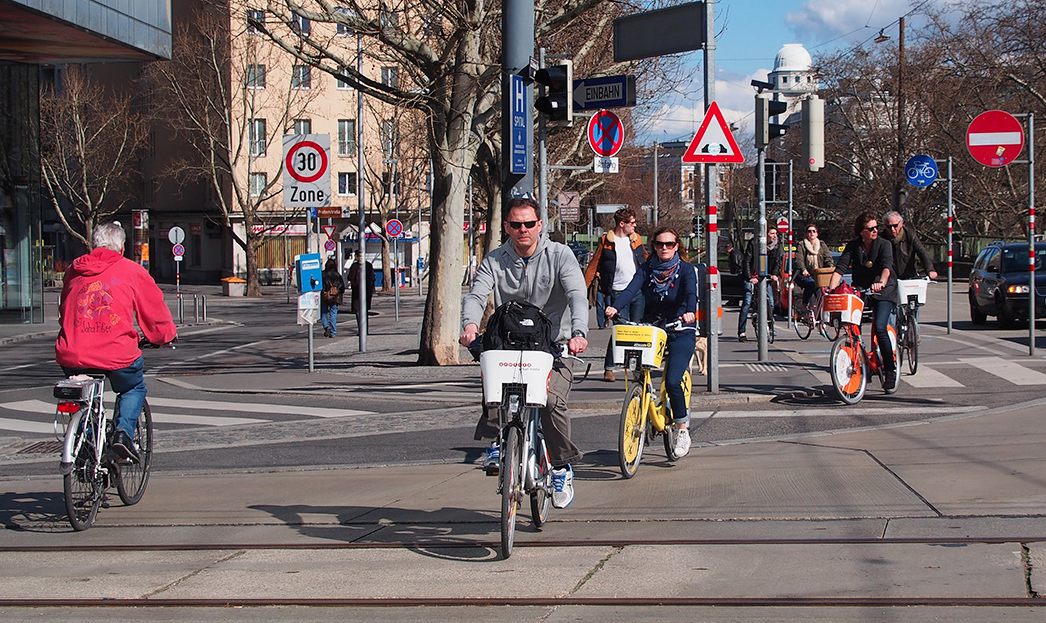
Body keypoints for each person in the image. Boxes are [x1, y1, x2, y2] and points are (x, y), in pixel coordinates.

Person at [460, 196, 589, 509]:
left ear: (540, 225)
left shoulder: (560, 255)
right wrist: (468, 326)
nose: (523, 230)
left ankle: (560, 467)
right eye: (515, 225)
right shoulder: (494, 259)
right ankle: (498, 440)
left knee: (550, 400)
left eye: (529, 224)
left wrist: (579, 333)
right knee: (493, 379)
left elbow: (576, 294)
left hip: (555, 345)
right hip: (511, 344)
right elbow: (477, 295)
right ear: (507, 226)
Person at [55, 221, 177, 463]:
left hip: (72, 352)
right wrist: (164, 337)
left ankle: (85, 444)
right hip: (115, 353)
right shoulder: (131, 270)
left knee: (84, 398)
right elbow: (154, 311)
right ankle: (122, 436)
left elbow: (64, 309)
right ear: (121, 247)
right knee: (133, 388)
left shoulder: (74, 270)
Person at [605, 226, 698, 458]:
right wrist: (615, 306)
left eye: (669, 244)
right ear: (653, 246)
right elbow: (631, 289)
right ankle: (642, 403)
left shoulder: (686, 270)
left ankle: (682, 429)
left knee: (674, 380)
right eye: (659, 244)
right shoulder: (647, 269)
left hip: (679, 329)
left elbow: (691, 294)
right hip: (653, 330)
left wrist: (690, 312)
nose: (664, 248)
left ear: (677, 246)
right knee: (638, 372)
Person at [829, 212, 899, 393]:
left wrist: (881, 282)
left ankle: (890, 371)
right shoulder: (853, 246)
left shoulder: (884, 244)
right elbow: (840, 268)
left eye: (877, 227)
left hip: (884, 290)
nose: (876, 230)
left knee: (881, 327)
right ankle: (859, 362)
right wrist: (831, 289)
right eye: (871, 228)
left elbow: (886, 266)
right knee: (851, 326)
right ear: (862, 232)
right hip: (862, 289)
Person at [583, 207, 648, 382]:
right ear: (622, 224)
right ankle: (609, 368)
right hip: (617, 293)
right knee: (620, 332)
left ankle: (637, 370)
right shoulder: (606, 241)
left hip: (638, 291)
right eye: (632, 223)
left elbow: (646, 259)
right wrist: (582, 290)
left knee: (638, 331)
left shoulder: (636, 240)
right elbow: (593, 265)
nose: (635, 226)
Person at [737, 227, 782, 342]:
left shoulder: (776, 246)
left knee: (771, 302)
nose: (774, 236)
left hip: (765, 277)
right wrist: (749, 277)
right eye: (772, 233)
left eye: (775, 233)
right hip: (752, 276)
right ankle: (742, 331)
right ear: (765, 234)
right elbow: (746, 261)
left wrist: (775, 274)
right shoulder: (754, 243)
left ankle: (769, 327)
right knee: (747, 302)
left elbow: (777, 261)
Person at [881, 211, 938, 281]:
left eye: (895, 226)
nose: (892, 229)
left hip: (910, 275)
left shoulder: (910, 235)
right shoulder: (882, 238)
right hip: (890, 278)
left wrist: (930, 269)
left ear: (901, 224)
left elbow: (922, 252)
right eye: (889, 227)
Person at [793, 223, 834, 306]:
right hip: (804, 274)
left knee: (821, 294)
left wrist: (830, 266)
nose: (812, 233)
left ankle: (819, 316)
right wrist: (803, 270)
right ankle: (805, 304)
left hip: (818, 275)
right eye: (809, 231)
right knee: (811, 284)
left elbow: (828, 258)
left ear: (817, 233)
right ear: (806, 234)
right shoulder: (801, 245)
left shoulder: (822, 245)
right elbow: (799, 260)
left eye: (814, 231)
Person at [346, 251, 375, 333]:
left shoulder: (355, 266)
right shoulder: (369, 265)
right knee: (365, 311)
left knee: (358, 311)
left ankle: (361, 329)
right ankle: (365, 329)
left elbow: (350, 277)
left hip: (357, 291)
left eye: (356, 256)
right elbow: (373, 277)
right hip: (367, 290)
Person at [320, 258, 345, 338]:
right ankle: (333, 332)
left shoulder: (323, 274)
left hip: (325, 296)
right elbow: (342, 288)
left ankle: (326, 326)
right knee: (333, 314)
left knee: (323, 312)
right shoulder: (338, 275)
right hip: (335, 297)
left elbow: (320, 285)